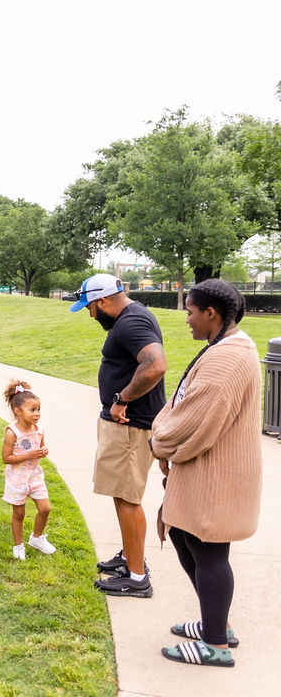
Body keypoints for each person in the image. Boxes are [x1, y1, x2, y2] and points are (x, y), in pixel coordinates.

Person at [151, 279, 261, 668]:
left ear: (211, 314)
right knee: (185, 537)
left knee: (210, 553)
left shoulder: (227, 359)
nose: (187, 319)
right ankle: (217, 622)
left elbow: (193, 422)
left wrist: (158, 442)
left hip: (217, 475)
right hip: (207, 471)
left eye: (190, 311)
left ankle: (216, 643)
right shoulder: (225, 347)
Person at [70, 273, 166, 598]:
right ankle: (129, 556)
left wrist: (121, 399)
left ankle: (137, 577)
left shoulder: (129, 322)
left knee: (128, 499)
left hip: (131, 425)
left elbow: (155, 366)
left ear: (103, 301)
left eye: (89, 307)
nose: (89, 313)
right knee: (121, 494)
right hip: (126, 425)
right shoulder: (131, 316)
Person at [1, 380, 55, 560]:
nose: (37, 414)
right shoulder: (12, 432)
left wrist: (43, 451)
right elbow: (6, 458)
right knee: (19, 513)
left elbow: (40, 449)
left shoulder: (39, 429)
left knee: (45, 508)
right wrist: (29, 454)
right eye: (32, 410)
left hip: (35, 476)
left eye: (39, 409)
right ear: (18, 411)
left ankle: (37, 538)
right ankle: (18, 546)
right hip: (17, 478)